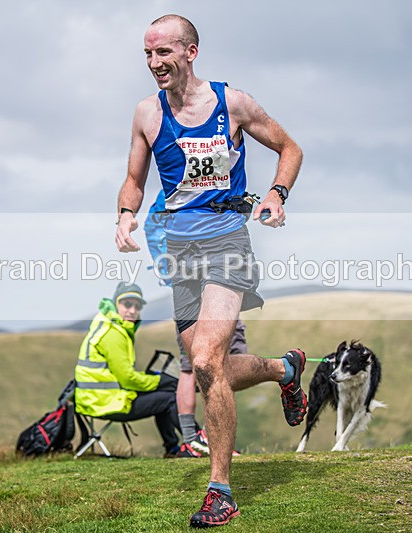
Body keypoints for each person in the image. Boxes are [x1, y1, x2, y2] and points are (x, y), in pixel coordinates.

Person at [114, 14, 306, 527]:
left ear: (190, 52)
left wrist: (276, 194)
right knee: (208, 370)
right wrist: (126, 214)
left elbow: (289, 148)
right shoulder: (147, 114)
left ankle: (220, 491)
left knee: (204, 358)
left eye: (163, 52)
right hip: (179, 251)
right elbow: (134, 179)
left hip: (226, 242)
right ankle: (285, 370)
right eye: (148, 54)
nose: (155, 62)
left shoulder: (232, 104)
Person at [144, 189, 247, 459]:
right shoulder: (205, 188)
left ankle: (193, 440)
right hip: (214, 284)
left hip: (182, 286)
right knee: (223, 364)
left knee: (189, 367)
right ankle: (212, 439)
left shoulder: (167, 196)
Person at [73, 281, 181, 456]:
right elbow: (127, 379)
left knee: (164, 393)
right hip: (105, 403)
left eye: (137, 306)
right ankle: (193, 443)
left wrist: (157, 381)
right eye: (127, 304)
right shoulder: (113, 333)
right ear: (116, 304)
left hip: (96, 399)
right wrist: (161, 380)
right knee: (169, 398)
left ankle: (174, 448)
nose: (132, 310)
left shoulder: (108, 325)